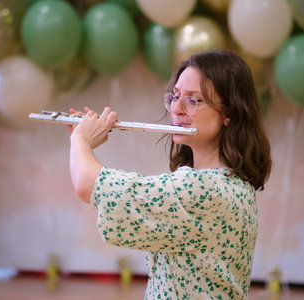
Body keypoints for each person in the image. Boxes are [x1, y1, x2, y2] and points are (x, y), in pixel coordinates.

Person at [69, 49, 272, 299]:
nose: (177, 108)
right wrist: (80, 141)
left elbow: (89, 186)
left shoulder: (204, 190)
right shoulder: (235, 184)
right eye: (175, 97)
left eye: (193, 100)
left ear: (228, 113)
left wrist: (80, 140)